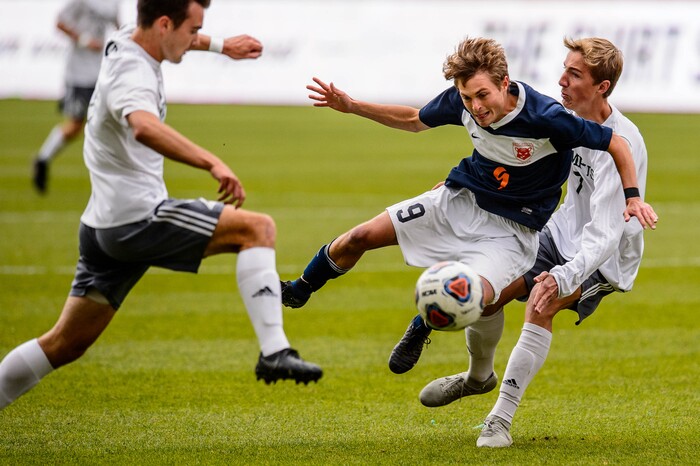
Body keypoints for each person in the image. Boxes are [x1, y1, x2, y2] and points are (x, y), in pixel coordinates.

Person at [0, 0, 322, 411]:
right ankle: (275, 351)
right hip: (137, 218)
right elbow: (145, 127)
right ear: (165, 24)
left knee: (63, 344)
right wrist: (212, 161)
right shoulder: (134, 73)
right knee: (257, 229)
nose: (194, 40)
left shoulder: (124, 38)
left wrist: (222, 45)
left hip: (101, 227)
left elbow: (183, 37)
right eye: (192, 30)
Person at [281, 37, 656, 339]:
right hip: (460, 201)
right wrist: (352, 106)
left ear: (505, 84)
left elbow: (617, 143)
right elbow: (413, 119)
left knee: (476, 299)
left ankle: (431, 333)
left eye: (482, 95)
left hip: (513, 230)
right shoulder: (459, 102)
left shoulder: (547, 117)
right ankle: (299, 289)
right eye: (466, 97)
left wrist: (632, 197)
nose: (475, 107)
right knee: (358, 237)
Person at [390, 37, 648, 448]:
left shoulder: (622, 143)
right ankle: (478, 378)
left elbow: (604, 234)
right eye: (564, 68)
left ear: (602, 87)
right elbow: (513, 158)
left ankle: (499, 420)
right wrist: (467, 187)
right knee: (485, 296)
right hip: (557, 231)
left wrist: (561, 276)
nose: (561, 79)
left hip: (604, 256)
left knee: (540, 302)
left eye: (574, 74)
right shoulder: (561, 117)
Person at [32, 0, 121, 194]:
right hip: (79, 72)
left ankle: (115, 177)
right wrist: (84, 40)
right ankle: (43, 159)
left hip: (102, 70)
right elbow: (60, 22)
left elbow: (118, 26)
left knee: (114, 121)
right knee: (75, 126)